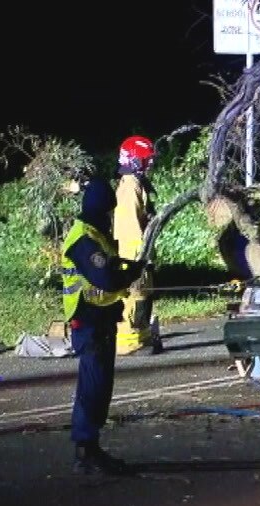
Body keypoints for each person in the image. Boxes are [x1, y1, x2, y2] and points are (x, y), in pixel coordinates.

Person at [61, 178, 146, 474]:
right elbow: (105, 279)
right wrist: (128, 275)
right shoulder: (84, 238)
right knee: (92, 386)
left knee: (100, 387)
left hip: (102, 320)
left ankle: (92, 449)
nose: (111, 216)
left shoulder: (96, 234)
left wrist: (126, 268)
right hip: (89, 322)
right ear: (100, 209)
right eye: (108, 210)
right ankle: (85, 452)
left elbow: (108, 269)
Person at [113, 135, 161, 355]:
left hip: (141, 256)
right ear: (133, 160)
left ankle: (141, 338)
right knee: (136, 297)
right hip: (133, 257)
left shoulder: (136, 184)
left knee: (143, 298)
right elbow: (129, 229)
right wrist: (137, 263)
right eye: (146, 160)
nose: (150, 164)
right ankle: (129, 342)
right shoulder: (130, 187)